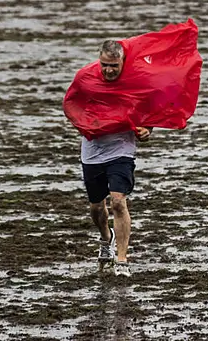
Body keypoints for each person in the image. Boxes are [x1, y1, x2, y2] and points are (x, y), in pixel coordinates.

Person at [80, 40, 152, 278]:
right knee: (96, 208)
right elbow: (74, 107)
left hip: (122, 150)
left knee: (119, 201)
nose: (108, 70)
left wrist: (147, 129)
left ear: (123, 62)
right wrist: (84, 124)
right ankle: (105, 238)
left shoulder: (135, 83)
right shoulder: (86, 81)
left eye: (113, 65)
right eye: (104, 65)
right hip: (93, 151)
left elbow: (148, 110)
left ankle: (122, 260)